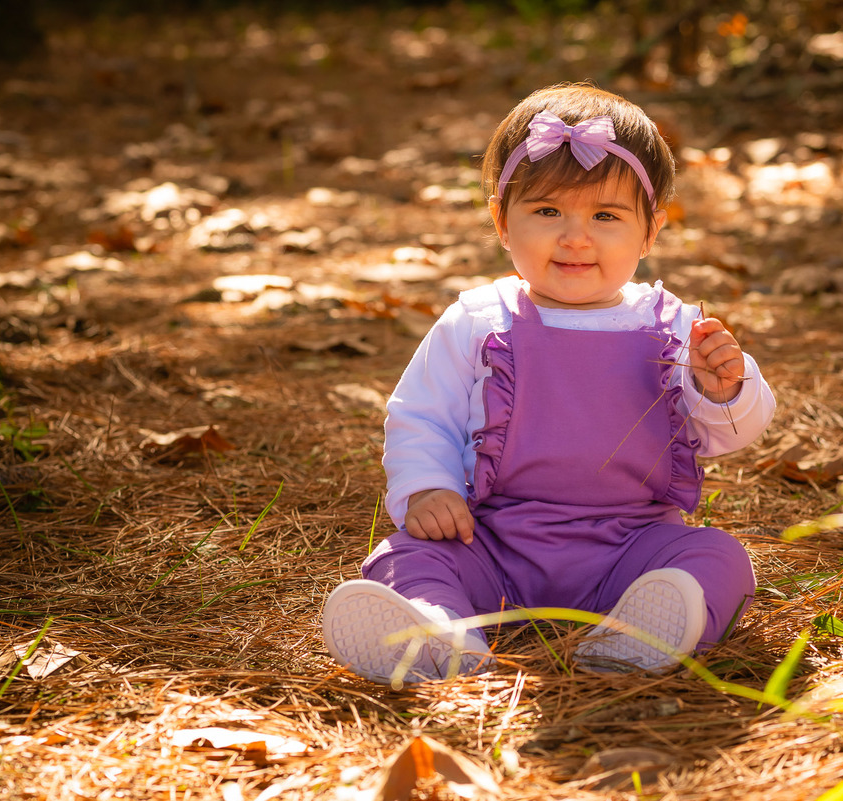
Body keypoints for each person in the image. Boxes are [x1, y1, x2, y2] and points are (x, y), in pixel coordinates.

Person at [322, 82, 776, 686]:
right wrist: (427, 488)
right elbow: (421, 414)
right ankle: (440, 632)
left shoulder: (673, 326)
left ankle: (642, 630)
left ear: (651, 231)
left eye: (606, 216)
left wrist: (723, 390)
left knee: (718, 558)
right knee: (403, 557)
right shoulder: (479, 321)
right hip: (491, 539)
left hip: (631, 544)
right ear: (501, 221)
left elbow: (730, 434)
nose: (575, 237)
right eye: (546, 211)